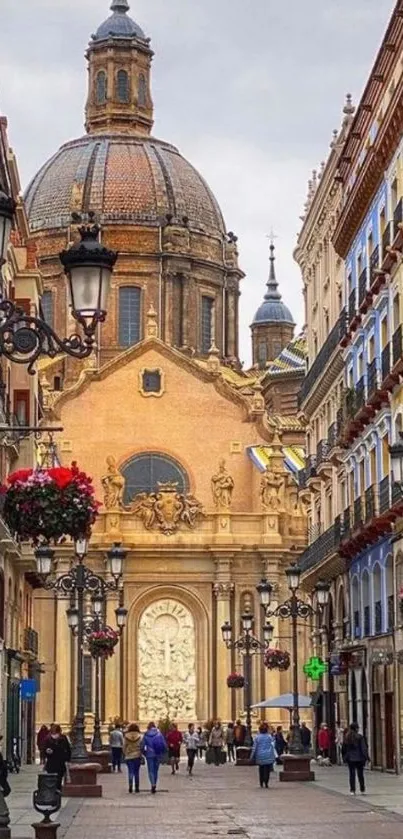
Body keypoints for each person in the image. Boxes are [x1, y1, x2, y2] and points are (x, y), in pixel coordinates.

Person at [342, 722, 368, 795]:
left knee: (352, 774)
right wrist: (366, 757)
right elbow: (363, 748)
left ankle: (352, 790)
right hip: (359, 758)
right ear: (356, 728)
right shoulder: (360, 737)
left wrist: (344, 757)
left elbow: (343, 749)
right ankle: (362, 789)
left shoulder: (347, 737)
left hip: (350, 758)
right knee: (360, 774)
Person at [44, 724, 71, 791]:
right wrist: (47, 751)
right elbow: (44, 749)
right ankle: (54, 792)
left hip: (59, 764)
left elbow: (68, 750)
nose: (54, 734)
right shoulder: (48, 739)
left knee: (58, 780)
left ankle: (56, 793)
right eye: (53, 732)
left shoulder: (63, 738)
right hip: (52, 763)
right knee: (53, 780)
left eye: (55, 732)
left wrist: (67, 759)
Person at [142, 722, 167, 793]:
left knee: (151, 771)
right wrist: (163, 753)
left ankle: (152, 784)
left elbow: (142, 745)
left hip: (149, 754)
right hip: (158, 754)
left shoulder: (146, 735)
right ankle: (155, 784)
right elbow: (164, 745)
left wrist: (144, 753)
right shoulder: (159, 734)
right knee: (156, 770)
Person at [250, 723, 276, 789]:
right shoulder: (270, 737)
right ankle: (266, 782)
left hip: (260, 755)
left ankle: (261, 782)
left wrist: (252, 756)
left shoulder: (257, 737)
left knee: (261, 769)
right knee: (267, 769)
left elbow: (254, 748)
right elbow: (273, 745)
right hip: (268, 755)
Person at [123, 723, 143, 793]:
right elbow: (141, 746)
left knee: (130, 772)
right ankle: (137, 787)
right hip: (137, 755)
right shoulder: (140, 736)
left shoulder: (126, 736)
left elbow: (124, 746)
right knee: (136, 772)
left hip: (129, 756)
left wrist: (125, 753)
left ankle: (130, 787)